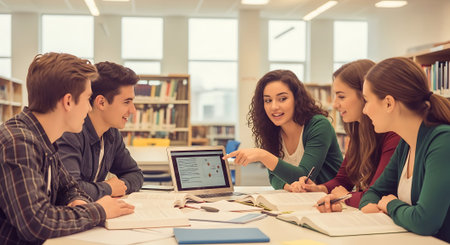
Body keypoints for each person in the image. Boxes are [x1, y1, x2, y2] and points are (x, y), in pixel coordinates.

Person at [0, 53, 134, 244]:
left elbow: (70, 187)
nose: (89, 108)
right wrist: (99, 210)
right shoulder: (18, 143)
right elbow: (37, 224)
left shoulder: (44, 138)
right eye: (88, 99)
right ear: (68, 101)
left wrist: (77, 202)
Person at [289, 60, 401, 211]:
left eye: (341, 97)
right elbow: (343, 180)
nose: (335, 104)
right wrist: (319, 188)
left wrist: (346, 197)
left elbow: (376, 194)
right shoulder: (358, 131)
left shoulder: (393, 135)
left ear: (365, 96)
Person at [359, 57, 450, 242]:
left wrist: (391, 205)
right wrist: (379, 205)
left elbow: (425, 221)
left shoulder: (443, 141)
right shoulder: (406, 143)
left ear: (389, 103)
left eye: (367, 101)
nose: (365, 110)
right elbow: (372, 194)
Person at [224, 70, 342, 190]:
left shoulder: (318, 125)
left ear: (296, 99)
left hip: (334, 201)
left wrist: (262, 155)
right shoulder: (272, 129)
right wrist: (288, 187)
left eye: (282, 99)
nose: (274, 107)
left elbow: (304, 177)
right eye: (268, 100)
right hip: (303, 200)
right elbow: (274, 177)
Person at [57, 61, 143, 201]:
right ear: (101, 102)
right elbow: (70, 190)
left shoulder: (112, 133)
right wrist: (109, 188)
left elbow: (135, 174)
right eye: (126, 102)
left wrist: (121, 186)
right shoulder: (71, 133)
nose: (133, 110)